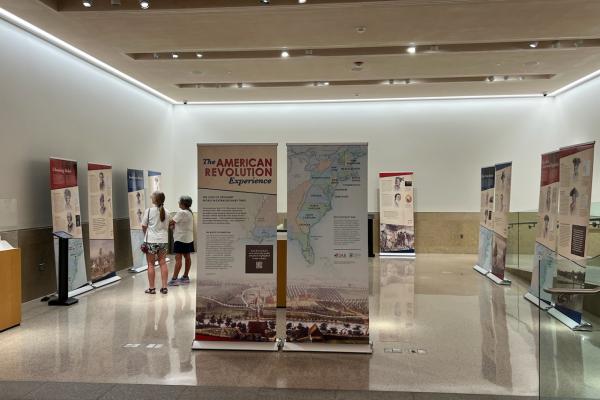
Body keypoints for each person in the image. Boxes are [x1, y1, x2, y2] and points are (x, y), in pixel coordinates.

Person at [142, 191, 170, 295]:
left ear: (155, 200)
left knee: (150, 264)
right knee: (163, 263)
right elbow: (167, 226)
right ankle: (164, 287)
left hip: (151, 241)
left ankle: (152, 288)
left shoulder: (149, 211)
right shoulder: (167, 212)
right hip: (163, 240)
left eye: (152, 197)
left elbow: (144, 225)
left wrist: (146, 235)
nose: (151, 197)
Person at [168, 195, 195, 286]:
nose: (178, 203)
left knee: (178, 259)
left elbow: (171, 222)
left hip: (180, 239)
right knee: (187, 257)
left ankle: (174, 279)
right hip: (188, 238)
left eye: (179, 201)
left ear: (183, 204)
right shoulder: (190, 212)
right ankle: (185, 277)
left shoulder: (181, 212)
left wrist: (171, 225)